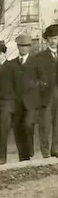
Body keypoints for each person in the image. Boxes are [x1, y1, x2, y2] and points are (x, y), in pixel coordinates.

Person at [11, 34, 42, 162]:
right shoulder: (12, 64)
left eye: (26, 46)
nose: (23, 49)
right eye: (21, 46)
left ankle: (29, 150)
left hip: (31, 102)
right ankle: (22, 157)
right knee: (17, 129)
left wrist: (36, 89)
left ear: (29, 47)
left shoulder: (36, 62)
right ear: (18, 47)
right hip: (16, 102)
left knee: (28, 125)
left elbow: (43, 79)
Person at [36, 24, 58, 158]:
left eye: (56, 38)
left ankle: (55, 149)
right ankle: (45, 151)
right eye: (51, 38)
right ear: (46, 40)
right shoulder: (40, 57)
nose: (53, 41)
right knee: (45, 123)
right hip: (46, 94)